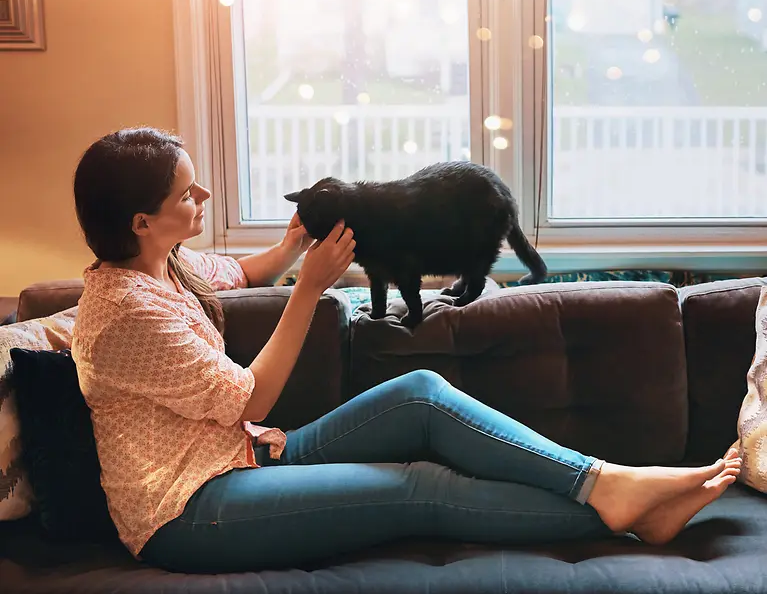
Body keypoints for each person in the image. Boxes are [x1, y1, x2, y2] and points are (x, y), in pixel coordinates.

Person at [71, 127, 741, 575]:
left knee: (418, 393)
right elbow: (249, 396)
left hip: (243, 454)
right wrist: (307, 289)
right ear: (141, 222)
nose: (203, 196)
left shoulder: (167, 264)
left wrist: (289, 246)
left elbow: (240, 274)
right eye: (187, 193)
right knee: (417, 485)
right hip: (189, 509)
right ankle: (620, 505)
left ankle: (605, 481)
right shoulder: (126, 313)